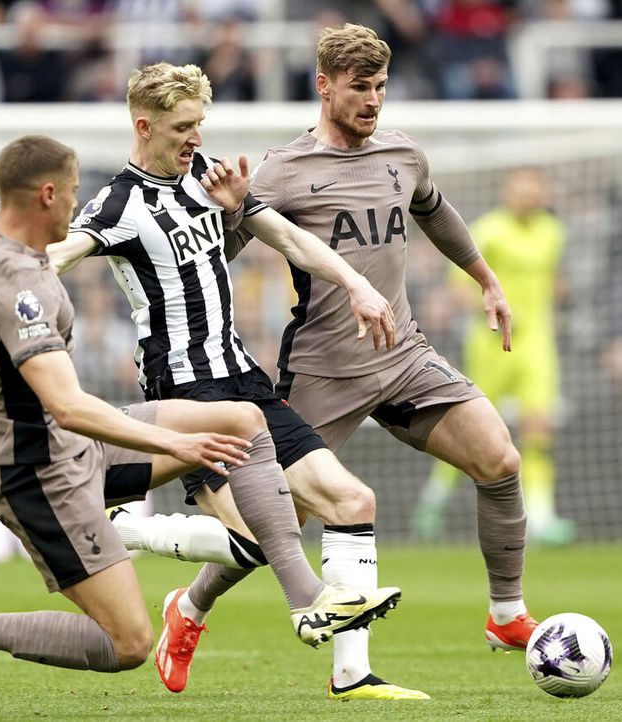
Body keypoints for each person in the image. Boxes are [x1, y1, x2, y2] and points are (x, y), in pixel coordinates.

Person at [96, 25, 540, 694]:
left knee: (500, 458)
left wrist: (486, 277)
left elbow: (434, 210)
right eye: (360, 87)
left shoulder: (403, 153)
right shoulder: (281, 170)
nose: (373, 101)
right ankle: (189, 608)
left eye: (382, 87)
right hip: (320, 373)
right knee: (275, 528)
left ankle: (505, 614)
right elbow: (211, 255)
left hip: (403, 355)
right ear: (324, 85)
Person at [0, 134, 400, 685]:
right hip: (36, 472)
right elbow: (68, 406)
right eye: (72, 195)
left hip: (73, 444)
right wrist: (177, 445)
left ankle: (307, 600)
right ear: (46, 195)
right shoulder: (19, 288)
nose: (79, 206)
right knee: (128, 644)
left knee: (244, 420)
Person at [46, 62, 424, 701]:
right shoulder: (118, 203)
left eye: (200, 124)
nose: (195, 137)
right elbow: (60, 255)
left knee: (351, 502)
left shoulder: (208, 176)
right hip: (186, 391)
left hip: (244, 378)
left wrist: (356, 283)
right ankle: (128, 531)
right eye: (183, 126)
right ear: (145, 125)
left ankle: (352, 674)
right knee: (257, 537)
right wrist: (0, 275)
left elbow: (289, 238)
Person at [416, 168, 575, 546]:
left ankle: (541, 514)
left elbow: (553, 281)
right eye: (522, 189)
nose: (528, 196)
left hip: (537, 343)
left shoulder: (553, 233)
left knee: (538, 427)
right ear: (508, 193)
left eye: (535, 189)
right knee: (471, 429)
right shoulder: (488, 230)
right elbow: (458, 289)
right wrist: (491, 309)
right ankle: (433, 500)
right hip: (490, 345)